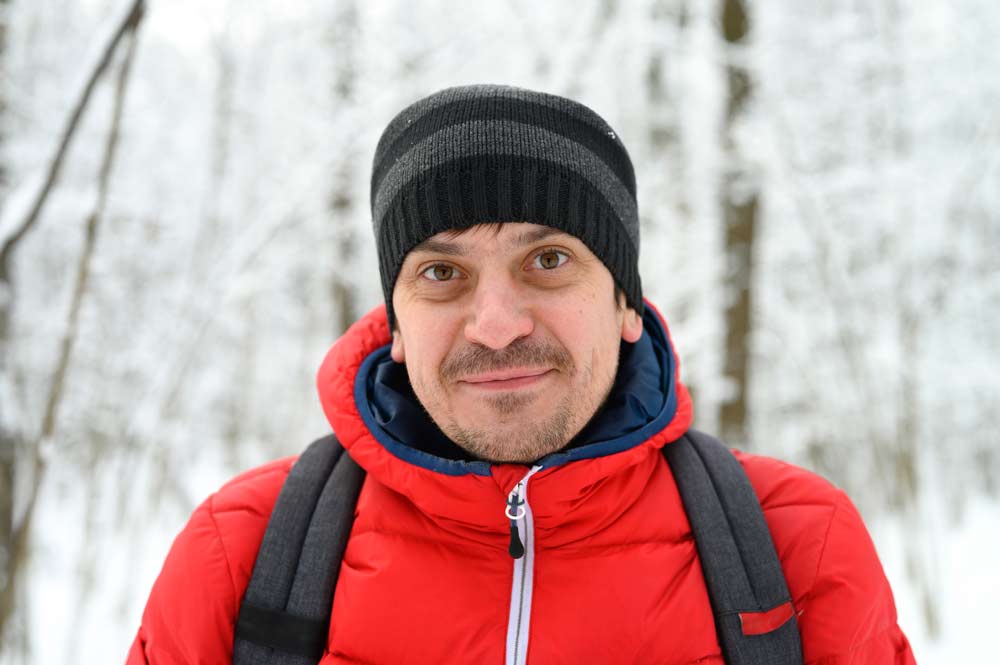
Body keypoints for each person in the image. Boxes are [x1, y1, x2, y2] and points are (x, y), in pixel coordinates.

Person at [127, 84, 915, 664]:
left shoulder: (798, 549)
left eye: (548, 260)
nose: (497, 323)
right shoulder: (240, 557)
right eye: (441, 272)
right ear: (395, 323)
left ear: (625, 304)